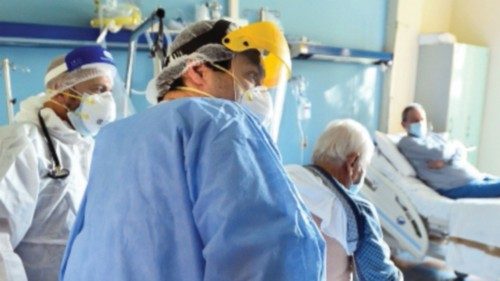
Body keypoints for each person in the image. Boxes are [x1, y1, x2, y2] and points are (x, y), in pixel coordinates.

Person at [60, 19, 325, 281]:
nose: (258, 93)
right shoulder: (222, 122)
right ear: (197, 71)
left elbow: (83, 255)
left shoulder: (113, 137)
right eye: (251, 77)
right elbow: (272, 253)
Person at [0, 46, 118, 281]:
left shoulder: (85, 146)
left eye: (109, 92)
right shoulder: (23, 142)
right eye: (98, 90)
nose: (107, 100)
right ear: (61, 91)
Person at [286, 119, 403, 281]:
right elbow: (381, 277)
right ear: (353, 162)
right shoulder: (355, 211)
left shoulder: (283, 177)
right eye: (364, 167)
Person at [398, 103, 500, 199]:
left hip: (475, 177)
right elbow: (439, 153)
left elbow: (460, 149)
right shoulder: (407, 143)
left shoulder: (433, 137)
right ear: (404, 124)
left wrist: (447, 161)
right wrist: (452, 149)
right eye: (415, 121)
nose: (420, 123)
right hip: (455, 187)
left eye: (422, 120)